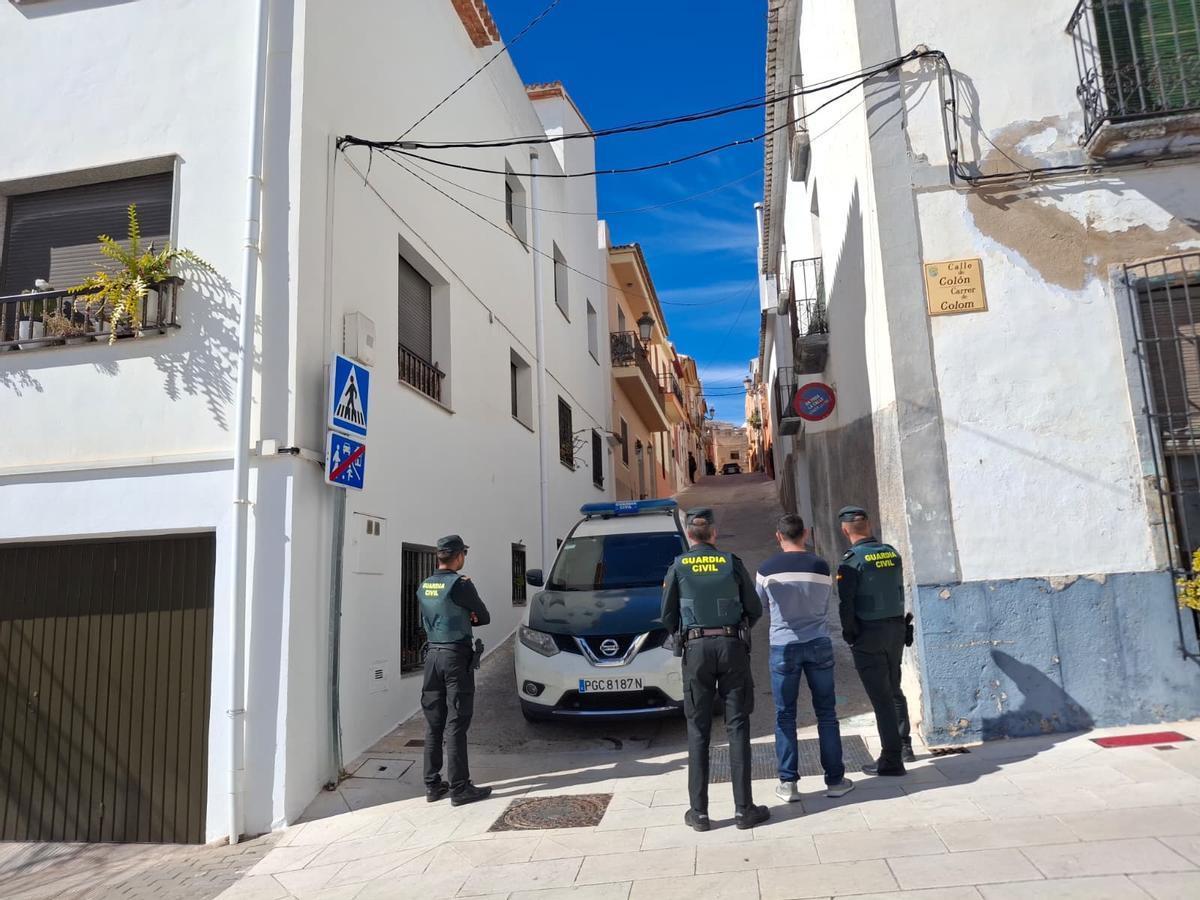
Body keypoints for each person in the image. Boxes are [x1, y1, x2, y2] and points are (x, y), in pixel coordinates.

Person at [661, 508, 769, 832]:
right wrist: (736, 629)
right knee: (737, 727)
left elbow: (666, 615)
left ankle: (700, 813)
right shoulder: (731, 563)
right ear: (714, 534)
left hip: (695, 651)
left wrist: (685, 633)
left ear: (690, 536)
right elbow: (755, 608)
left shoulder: (678, 566)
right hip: (732, 646)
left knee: (698, 731)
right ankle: (743, 810)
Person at [756, 514, 855, 802]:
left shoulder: (765, 570)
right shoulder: (821, 566)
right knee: (827, 713)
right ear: (806, 534)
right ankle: (835, 780)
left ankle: (788, 784)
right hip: (818, 643)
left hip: (783, 647)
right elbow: (826, 600)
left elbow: (760, 605)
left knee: (785, 715)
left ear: (778, 537)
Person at [836, 506, 915, 776]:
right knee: (893, 688)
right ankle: (904, 744)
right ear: (868, 525)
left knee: (880, 697)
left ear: (845, 530)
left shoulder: (851, 561)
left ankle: (891, 760)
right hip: (895, 629)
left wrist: (850, 633)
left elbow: (846, 604)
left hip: (868, 633)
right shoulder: (890, 553)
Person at [420, 534, 493, 805]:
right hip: (455, 656)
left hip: (432, 656)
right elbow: (483, 617)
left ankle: (433, 785)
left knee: (434, 722)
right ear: (459, 556)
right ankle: (460, 788)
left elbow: (428, 619)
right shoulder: (461, 585)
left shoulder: (425, 584)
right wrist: (469, 614)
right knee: (457, 722)